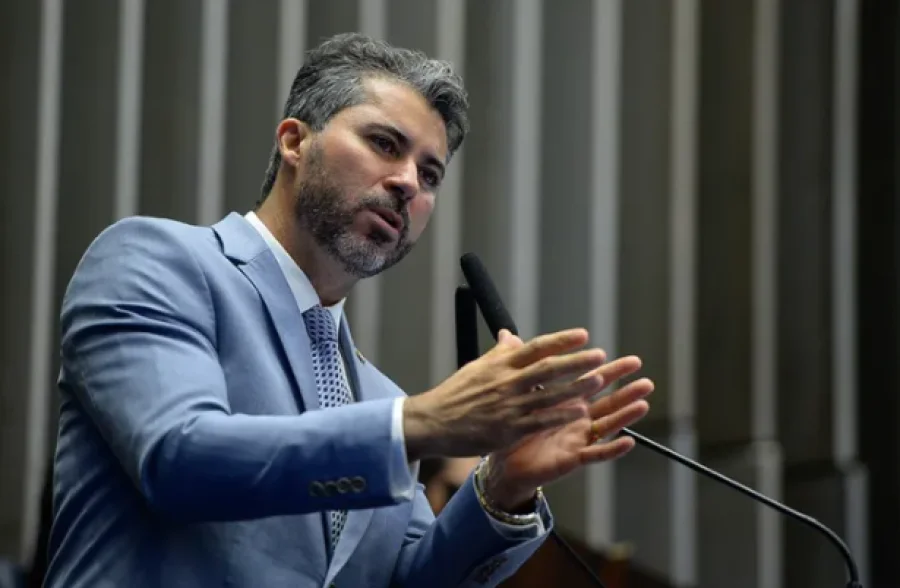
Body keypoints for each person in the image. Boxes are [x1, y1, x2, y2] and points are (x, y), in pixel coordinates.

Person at [45, 33, 654, 588]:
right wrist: (419, 425)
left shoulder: (377, 398)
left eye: (430, 174)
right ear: (294, 141)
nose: (408, 183)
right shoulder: (157, 261)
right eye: (383, 144)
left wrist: (504, 487)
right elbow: (178, 460)